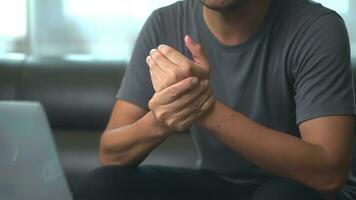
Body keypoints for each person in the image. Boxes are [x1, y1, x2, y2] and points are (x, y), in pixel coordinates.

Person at [73, 0, 356, 199]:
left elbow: (328, 174)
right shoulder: (165, 23)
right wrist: (162, 119)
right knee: (100, 187)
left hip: (296, 187)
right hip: (216, 183)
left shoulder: (316, 27)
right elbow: (111, 153)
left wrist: (204, 108)